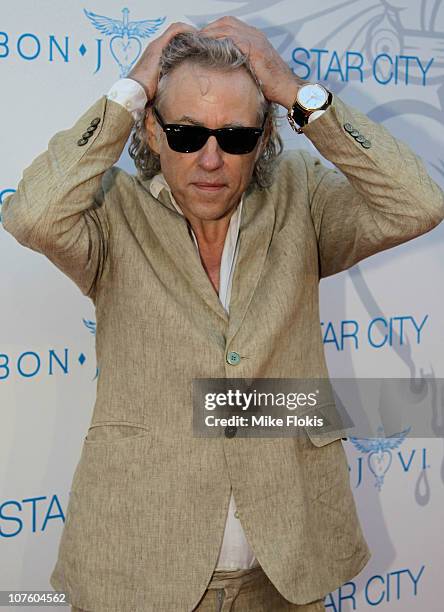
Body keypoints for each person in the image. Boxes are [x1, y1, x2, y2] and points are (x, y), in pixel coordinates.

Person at [2, 16, 443, 612]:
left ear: (263, 140)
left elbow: (419, 201)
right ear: (152, 133)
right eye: (186, 133)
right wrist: (131, 89)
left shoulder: (301, 198)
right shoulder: (109, 212)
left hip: (286, 569)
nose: (211, 159)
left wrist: (295, 93)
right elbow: (30, 216)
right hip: (139, 568)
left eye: (235, 137)